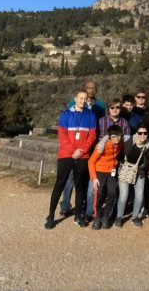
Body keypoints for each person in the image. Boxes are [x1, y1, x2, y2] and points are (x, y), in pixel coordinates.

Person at [44, 89, 96, 229]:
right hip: (66, 154)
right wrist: (73, 151)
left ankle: (78, 215)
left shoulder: (91, 115)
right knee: (59, 185)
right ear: (75, 98)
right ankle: (50, 216)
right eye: (80, 98)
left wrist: (82, 150)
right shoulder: (66, 114)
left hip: (82, 155)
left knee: (80, 187)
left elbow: (92, 136)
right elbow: (62, 135)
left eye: (85, 99)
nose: (82, 101)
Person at [59, 80, 105, 219]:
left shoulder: (101, 106)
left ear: (96, 90)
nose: (91, 90)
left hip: (90, 145)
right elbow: (67, 125)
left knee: (84, 178)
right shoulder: (73, 104)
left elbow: (100, 125)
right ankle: (65, 205)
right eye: (88, 88)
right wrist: (73, 149)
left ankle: (83, 204)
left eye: (93, 88)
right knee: (70, 178)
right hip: (73, 148)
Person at [115, 123, 149, 228]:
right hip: (126, 170)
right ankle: (119, 217)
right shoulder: (129, 141)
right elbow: (114, 138)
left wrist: (144, 166)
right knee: (123, 196)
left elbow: (148, 159)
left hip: (139, 172)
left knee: (139, 196)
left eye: (145, 133)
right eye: (140, 133)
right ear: (136, 133)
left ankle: (135, 217)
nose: (142, 135)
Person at [88, 125, 123, 230]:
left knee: (112, 193)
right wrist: (94, 178)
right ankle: (97, 216)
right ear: (109, 137)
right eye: (114, 136)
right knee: (99, 194)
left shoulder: (120, 144)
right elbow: (91, 161)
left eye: (119, 136)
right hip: (100, 171)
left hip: (111, 171)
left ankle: (106, 216)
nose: (117, 139)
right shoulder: (102, 146)